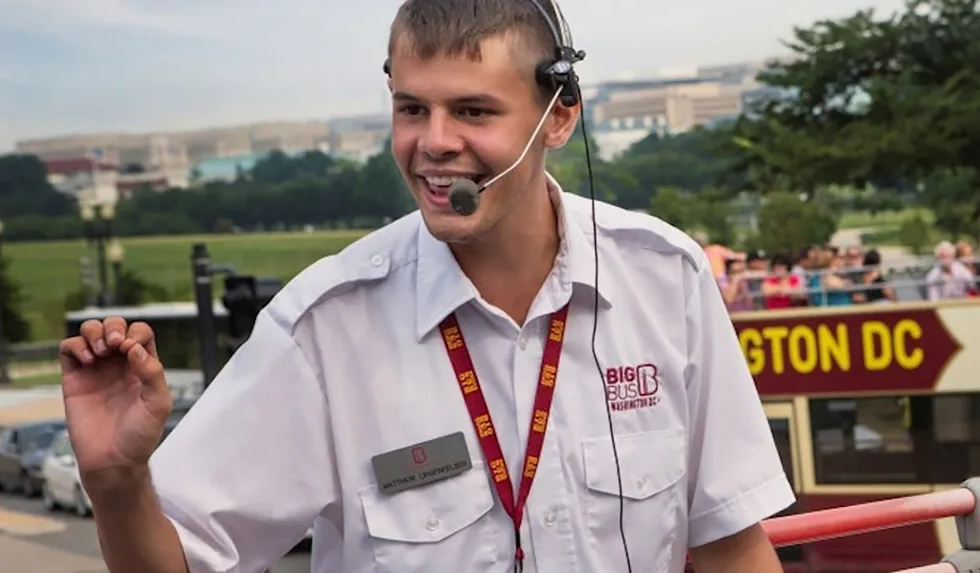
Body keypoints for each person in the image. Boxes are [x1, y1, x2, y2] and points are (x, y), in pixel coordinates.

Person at [57, 1, 794, 572]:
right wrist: (119, 480)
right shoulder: (323, 327)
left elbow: (731, 544)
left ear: (558, 115)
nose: (433, 142)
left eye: (472, 110)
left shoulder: (666, 279)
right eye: (412, 108)